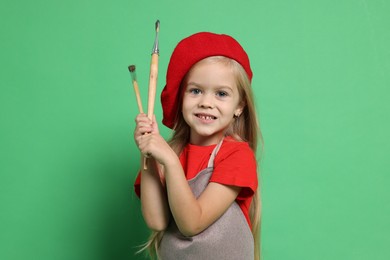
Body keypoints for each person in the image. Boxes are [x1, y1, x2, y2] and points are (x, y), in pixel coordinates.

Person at [133, 32, 262, 260]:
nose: (206, 102)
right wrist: (150, 154)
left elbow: (192, 224)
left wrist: (170, 163)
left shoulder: (237, 155)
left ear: (239, 106)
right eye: (195, 91)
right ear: (181, 98)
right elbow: (157, 220)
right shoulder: (170, 153)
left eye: (221, 94)